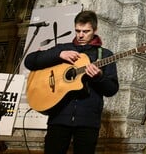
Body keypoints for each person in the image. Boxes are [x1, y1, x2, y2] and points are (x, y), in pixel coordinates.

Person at [24, 10, 119, 154]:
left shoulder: (105, 55)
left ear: (95, 30)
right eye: (78, 31)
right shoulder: (63, 48)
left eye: (86, 31)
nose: (81, 35)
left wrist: (99, 77)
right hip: (59, 117)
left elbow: (112, 89)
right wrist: (58, 54)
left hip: (88, 121)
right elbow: (30, 61)